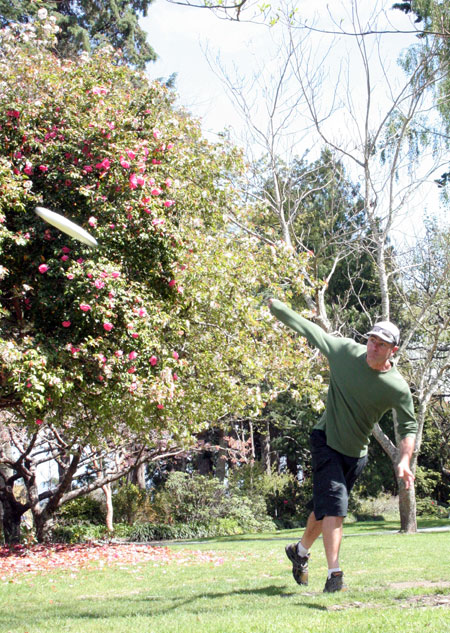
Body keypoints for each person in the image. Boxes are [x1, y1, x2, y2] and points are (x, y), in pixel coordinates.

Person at [268, 298, 417, 593]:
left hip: (356, 453)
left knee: (325, 510)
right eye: (371, 340)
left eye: (380, 344)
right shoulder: (346, 352)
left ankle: (299, 552)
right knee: (336, 505)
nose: (373, 347)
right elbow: (313, 332)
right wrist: (279, 308)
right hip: (326, 439)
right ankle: (334, 575)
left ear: (392, 351)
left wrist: (403, 459)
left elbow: (410, 425)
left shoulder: (396, 386)